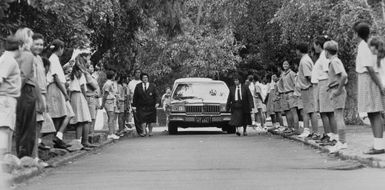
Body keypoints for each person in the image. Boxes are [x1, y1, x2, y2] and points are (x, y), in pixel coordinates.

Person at [354, 22, 385, 155]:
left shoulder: (363, 46)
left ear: (357, 34)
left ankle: (379, 146)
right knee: (372, 113)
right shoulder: (366, 44)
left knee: (374, 112)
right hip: (366, 79)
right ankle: (378, 143)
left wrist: (380, 85)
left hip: (368, 80)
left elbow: (370, 68)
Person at [14, 28, 45, 158]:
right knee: (28, 129)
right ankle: (25, 158)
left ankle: (25, 156)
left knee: (22, 127)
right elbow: (25, 76)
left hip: (23, 91)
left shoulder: (17, 55)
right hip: (26, 92)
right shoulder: (27, 55)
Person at [30, 33, 55, 166]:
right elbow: (33, 80)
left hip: (42, 94)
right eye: (37, 44)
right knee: (34, 128)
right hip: (34, 95)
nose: (39, 46)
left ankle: (35, 157)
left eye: (41, 44)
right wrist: (40, 99)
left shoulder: (39, 59)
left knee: (39, 127)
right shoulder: (30, 58)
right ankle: (33, 158)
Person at [311, 36, 336, 144]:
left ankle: (331, 136)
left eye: (315, 44)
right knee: (325, 112)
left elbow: (328, 71)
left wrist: (328, 86)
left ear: (318, 44)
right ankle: (330, 135)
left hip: (324, 83)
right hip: (321, 83)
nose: (314, 46)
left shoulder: (324, 56)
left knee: (326, 112)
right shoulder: (321, 56)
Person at [324, 41, 348, 153]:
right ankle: (341, 141)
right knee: (337, 115)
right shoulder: (334, 61)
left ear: (327, 51)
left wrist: (337, 90)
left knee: (338, 116)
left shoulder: (335, 61)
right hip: (334, 89)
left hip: (337, 90)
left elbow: (344, 75)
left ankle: (342, 142)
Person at [68, 55, 96, 148]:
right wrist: (85, 98)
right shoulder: (81, 74)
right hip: (79, 95)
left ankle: (78, 141)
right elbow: (83, 87)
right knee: (86, 119)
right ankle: (85, 141)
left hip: (73, 96)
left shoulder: (72, 74)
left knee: (79, 120)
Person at [295, 42, 319, 139]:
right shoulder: (305, 59)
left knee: (311, 111)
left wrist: (312, 86)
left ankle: (315, 132)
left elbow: (308, 76)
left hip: (307, 88)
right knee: (306, 110)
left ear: (299, 50)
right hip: (305, 88)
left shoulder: (304, 61)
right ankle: (307, 130)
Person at [367, 36, 385, 154]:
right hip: (383, 87)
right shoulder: (378, 58)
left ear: (374, 47)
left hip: (382, 87)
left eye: (371, 47)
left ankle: (380, 144)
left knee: (381, 115)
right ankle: (379, 143)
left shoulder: (378, 59)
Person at [280, 61, 299, 135]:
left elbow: (296, 83)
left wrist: (295, 93)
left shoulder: (292, 73)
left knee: (293, 111)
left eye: (286, 64)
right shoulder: (283, 74)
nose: (285, 65)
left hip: (291, 93)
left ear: (289, 65)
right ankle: (290, 128)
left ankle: (296, 129)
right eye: (284, 64)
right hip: (285, 94)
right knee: (287, 112)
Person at [101, 71, 120, 140]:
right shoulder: (108, 84)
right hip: (108, 101)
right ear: (112, 76)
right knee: (111, 117)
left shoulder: (111, 83)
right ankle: (110, 133)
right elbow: (105, 94)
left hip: (111, 101)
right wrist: (102, 104)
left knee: (112, 117)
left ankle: (112, 132)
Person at [84, 64, 100, 134]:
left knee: (94, 116)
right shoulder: (87, 76)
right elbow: (94, 87)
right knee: (91, 117)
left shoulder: (93, 78)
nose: (92, 68)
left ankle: (91, 131)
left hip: (95, 98)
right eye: (91, 67)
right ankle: (89, 133)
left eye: (92, 67)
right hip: (90, 97)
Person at [128, 69, 144, 135]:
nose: (138, 74)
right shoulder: (131, 83)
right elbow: (129, 94)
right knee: (136, 117)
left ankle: (143, 129)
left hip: (142, 102)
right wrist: (129, 103)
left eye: (139, 72)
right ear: (134, 74)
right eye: (136, 72)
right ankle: (140, 131)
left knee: (142, 116)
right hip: (134, 102)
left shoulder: (142, 82)